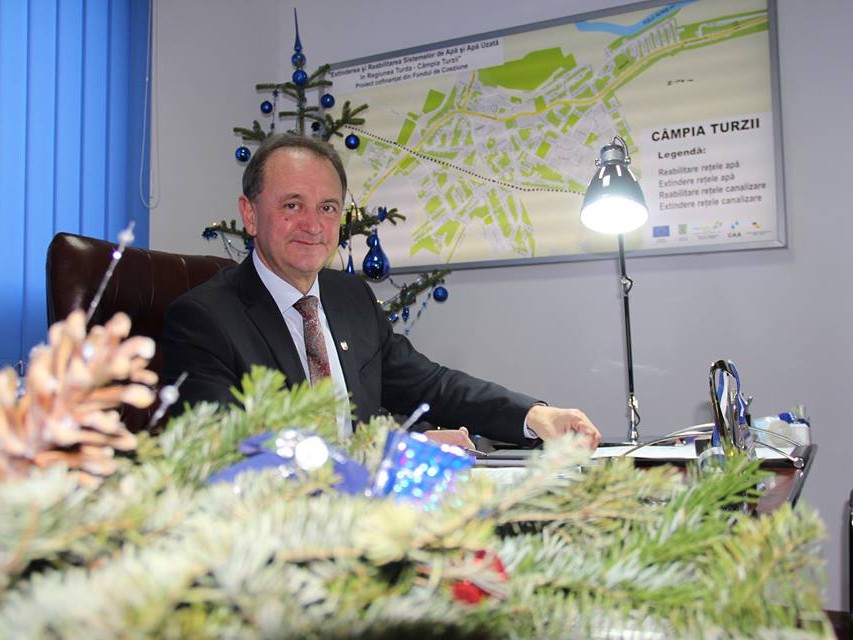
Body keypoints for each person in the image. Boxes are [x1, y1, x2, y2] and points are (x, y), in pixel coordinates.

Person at [161, 133, 600, 450]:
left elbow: (431, 384)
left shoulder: (348, 297)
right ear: (250, 214)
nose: (313, 225)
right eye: (292, 205)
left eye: (327, 208)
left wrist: (533, 415)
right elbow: (232, 450)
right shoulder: (203, 319)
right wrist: (396, 452)